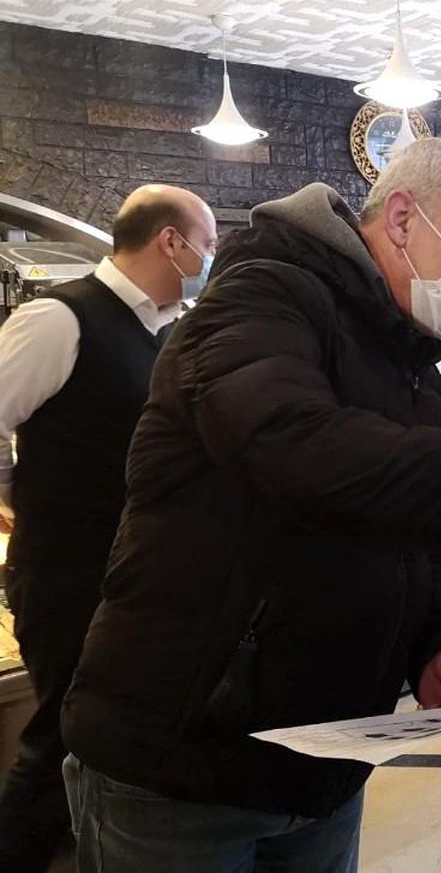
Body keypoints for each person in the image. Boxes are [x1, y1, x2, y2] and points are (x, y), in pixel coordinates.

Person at [59, 138, 441, 872]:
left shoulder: (405, 353)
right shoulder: (260, 298)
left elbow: (416, 521)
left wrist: (437, 643)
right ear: (404, 219)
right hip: (179, 768)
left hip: (320, 765)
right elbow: (315, 454)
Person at [0, 184, 215, 873]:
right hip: (64, 578)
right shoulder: (59, 321)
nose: (211, 259)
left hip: (127, 582)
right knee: (62, 736)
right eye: (207, 245)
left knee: (100, 741)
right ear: (170, 242)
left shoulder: (163, 333)